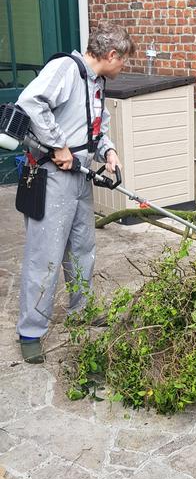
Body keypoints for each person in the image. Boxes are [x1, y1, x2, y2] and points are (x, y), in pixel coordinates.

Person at [16, 21, 135, 364]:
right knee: (45, 255)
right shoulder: (65, 69)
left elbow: (97, 124)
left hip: (80, 176)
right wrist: (58, 145)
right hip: (53, 177)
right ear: (110, 55)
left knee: (82, 248)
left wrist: (108, 151)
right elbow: (30, 101)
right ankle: (31, 332)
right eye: (123, 60)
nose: (124, 67)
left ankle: (82, 310)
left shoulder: (96, 82)